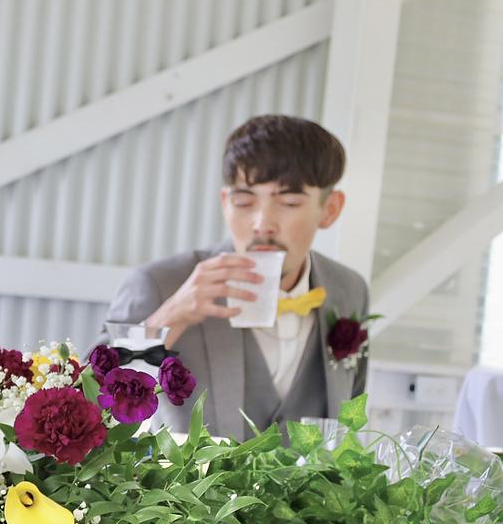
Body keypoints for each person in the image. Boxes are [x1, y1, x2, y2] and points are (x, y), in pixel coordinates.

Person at [104, 115, 368, 440]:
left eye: (289, 202)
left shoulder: (349, 290)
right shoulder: (160, 284)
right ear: (225, 203)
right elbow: (95, 407)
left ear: (331, 209)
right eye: (244, 201)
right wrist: (171, 316)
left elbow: (350, 418)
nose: (262, 224)